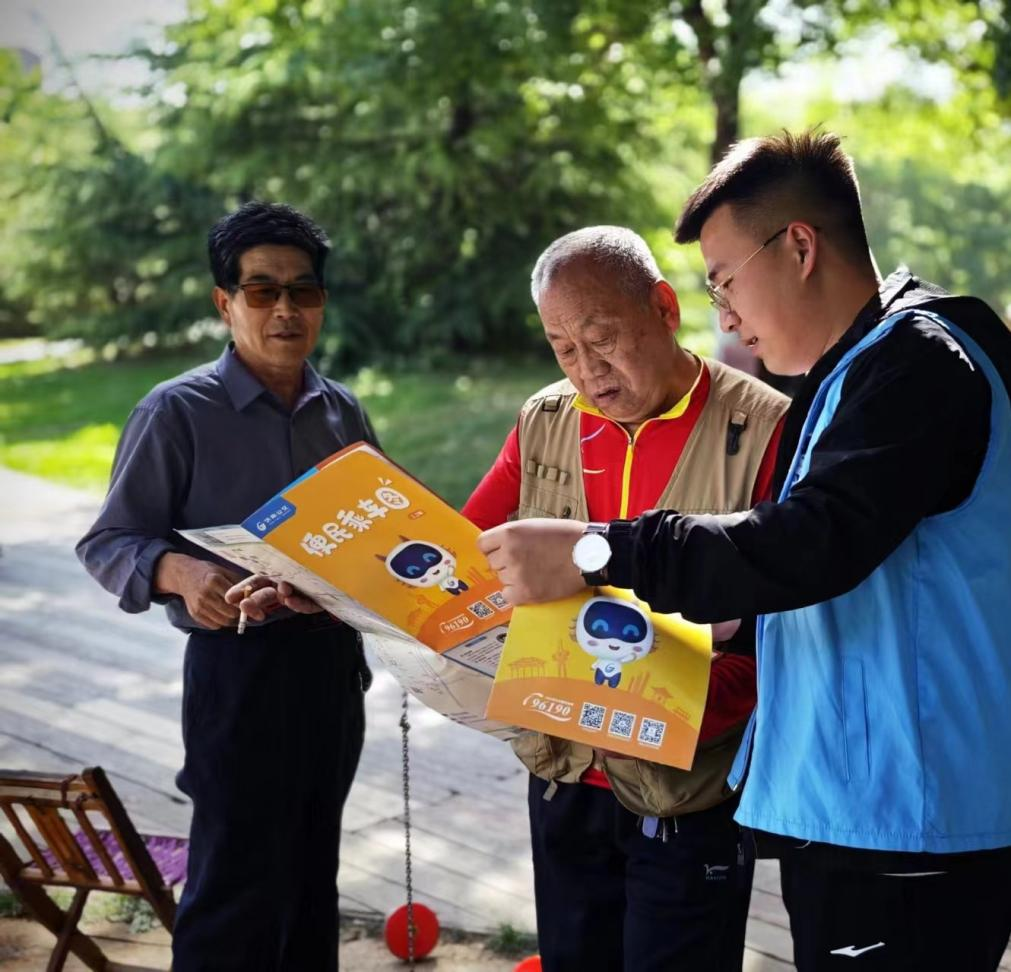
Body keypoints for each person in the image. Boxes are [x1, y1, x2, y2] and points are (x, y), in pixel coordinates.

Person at [477, 131, 1011, 971]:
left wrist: (594, 551)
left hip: (907, 818)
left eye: (724, 281)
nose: (723, 316)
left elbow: (806, 543)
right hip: (856, 809)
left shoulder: (916, 362)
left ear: (798, 246)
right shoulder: (854, 373)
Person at [463, 226, 788, 971]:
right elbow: (466, 558)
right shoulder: (546, 420)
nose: (588, 371)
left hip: (689, 791)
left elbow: (784, 635)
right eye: (563, 349)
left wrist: (666, 713)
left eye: (602, 339)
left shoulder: (763, 428)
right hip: (564, 776)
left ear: (664, 308)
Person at [77, 202, 376, 971]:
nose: (285, 310)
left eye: (303, 291)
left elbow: (377, 536)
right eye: (262, 290)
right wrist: (182, 573)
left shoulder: (341, 412)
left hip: (332, 670)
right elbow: (107, 541)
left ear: (321, 301)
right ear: (225, 302)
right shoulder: (176, 411)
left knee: (311, 877)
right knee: (235, 887)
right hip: (237, 674)